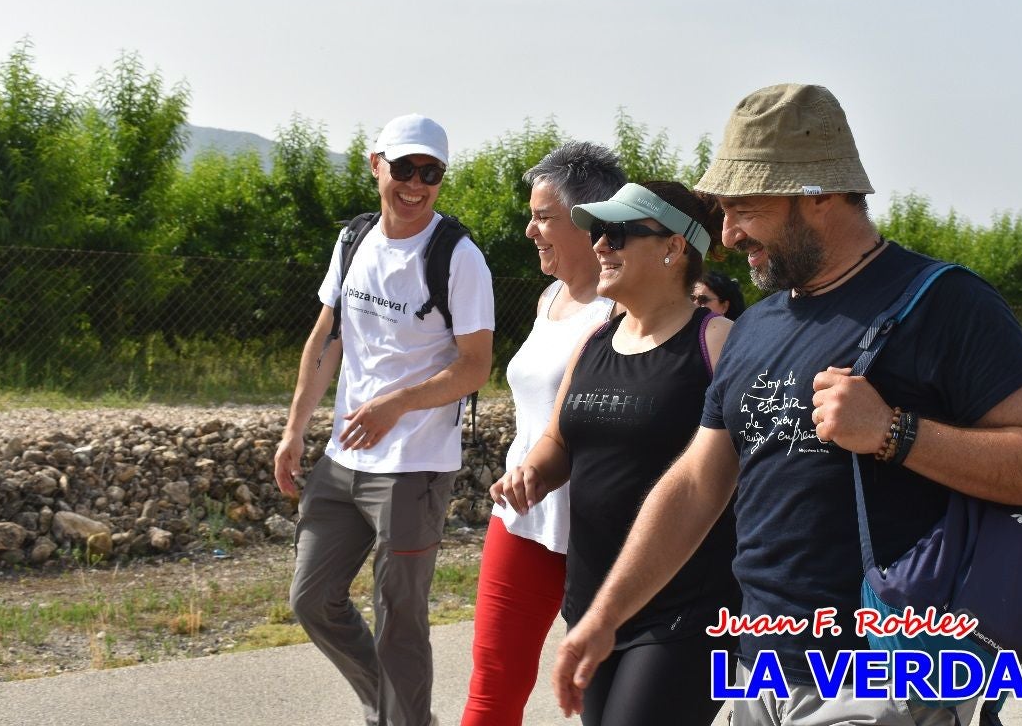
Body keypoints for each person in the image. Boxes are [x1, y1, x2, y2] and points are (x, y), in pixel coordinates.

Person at [552, 84, 1022, 726]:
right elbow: (697, 483)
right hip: (757, 672)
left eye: (745, 206)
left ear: (819, 193)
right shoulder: (758, 325)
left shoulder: (947, 304)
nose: (728, 232)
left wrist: (894, 432)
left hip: (884, 674)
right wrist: (608, 615)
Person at [274, 113, 494, 726]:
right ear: (376, 165)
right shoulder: (353, 242)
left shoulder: (459, 257)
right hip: (344, 459)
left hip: (414, 467)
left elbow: (476, 366)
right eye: (404, 169)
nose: (416, 184)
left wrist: (394, 405)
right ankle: (392, 709)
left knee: (400, 619)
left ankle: (399, 718)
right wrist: (296, 429)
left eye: (431, 173)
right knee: (312, 598)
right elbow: (327, 336)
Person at [492, 180, 739, 726]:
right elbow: (560, 441)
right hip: (592, 602)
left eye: (618, 233)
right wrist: (533, 471)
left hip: (684, 612)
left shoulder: (718, 341)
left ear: (673, 248)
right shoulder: (595, 341)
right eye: (598, 231)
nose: (599, 245)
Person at [461, 142, 625, 726]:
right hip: (524, 520)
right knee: (492, 687)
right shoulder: (549, 297)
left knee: (604, 699)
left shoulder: (626, 311)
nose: (530, 230)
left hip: (601, 532)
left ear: (590, 222)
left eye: (544, 217)